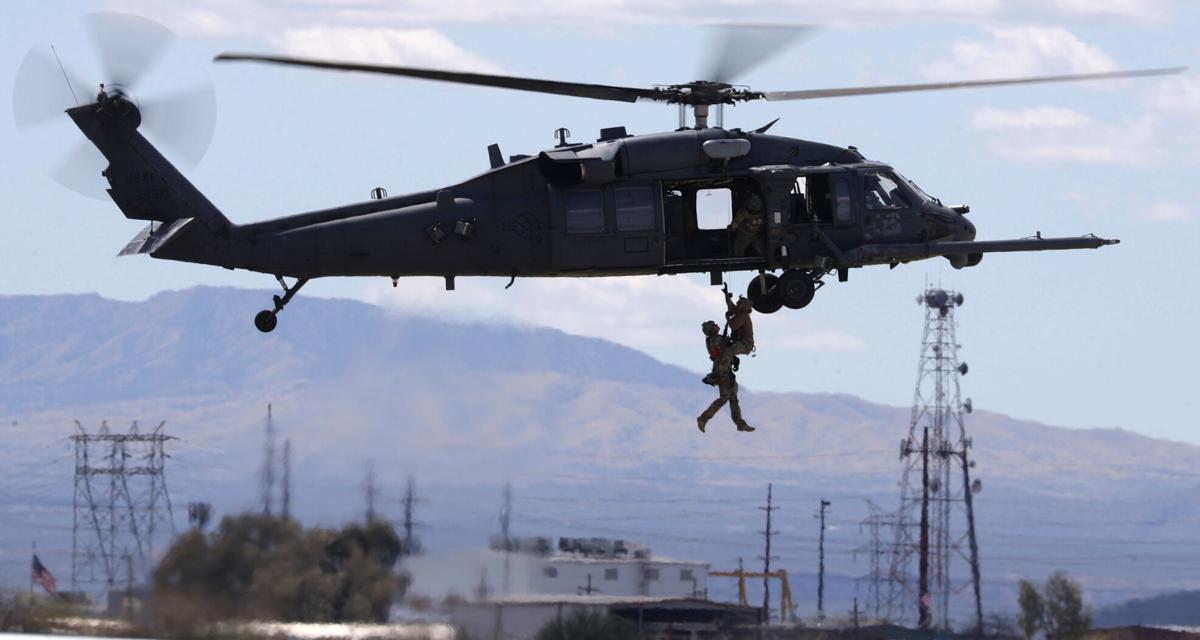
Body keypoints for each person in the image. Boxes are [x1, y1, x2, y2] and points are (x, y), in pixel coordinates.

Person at [697, 320, 755, 433]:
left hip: (725, 372)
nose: (717, 326)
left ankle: (740, 423)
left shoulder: (712, 340)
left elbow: (724, 353)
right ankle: (703, 418)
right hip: (723, 373)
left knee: (733, 399)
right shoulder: (717, 339)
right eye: (714, 326)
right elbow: (729, 349)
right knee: (724, 398)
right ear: (712, 329)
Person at [730, 193, 766, 257]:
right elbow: (737, 220)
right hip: (743, 236)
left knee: (763, 251)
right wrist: (733, 226)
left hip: (756, 235)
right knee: (738, 252)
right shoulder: (744, 212)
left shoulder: (764, 212)